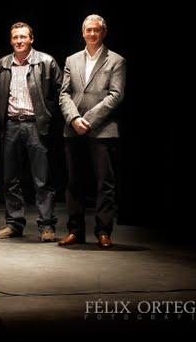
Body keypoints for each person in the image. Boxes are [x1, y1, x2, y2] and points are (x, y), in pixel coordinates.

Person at [58, 15, 126, 249]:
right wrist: (74, 118)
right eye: (88, 30)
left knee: (104, 183)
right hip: (73, 129)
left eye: (97, 30)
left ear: (103, 33)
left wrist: (87, 119)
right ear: (82, 32)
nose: (92, 34)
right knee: (74, 182)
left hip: (102, 130)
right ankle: (75, 231)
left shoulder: (116, 60)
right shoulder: (71, 59)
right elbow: (64, 94)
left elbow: (115, 95)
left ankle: (104, 231)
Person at [0, 23, 62, 242]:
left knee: (42, 179)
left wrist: (48, 119)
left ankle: (47, 225)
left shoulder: (46, 61)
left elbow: (60, 93)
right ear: (11, 40)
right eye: (15, 37)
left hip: (35, 125)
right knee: (10, 178)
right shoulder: (2, 64)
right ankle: (14, 223)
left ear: (32, 39)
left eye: (23, 37)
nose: (19, 41)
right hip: (11, 124)